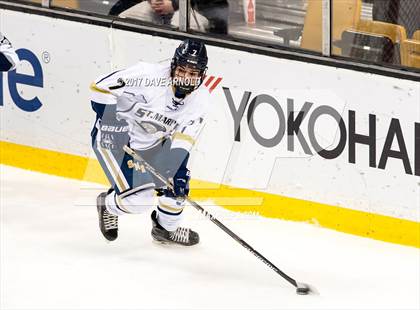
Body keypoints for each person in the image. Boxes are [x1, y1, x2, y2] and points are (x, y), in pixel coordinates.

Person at [90, 39, 210, 246]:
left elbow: (183, 139)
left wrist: (178, 173)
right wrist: (111, 122)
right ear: (173, 66)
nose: (186, 78)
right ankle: (108, 204)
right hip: (114, 140)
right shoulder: (147, 75)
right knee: (139, 201)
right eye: (182, 70)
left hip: (154, 144)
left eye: (193, 74)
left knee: (177, 192)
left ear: (202, 75)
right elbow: (100, 87)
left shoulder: (201, 101)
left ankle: (165, 230)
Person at [109, 0, 229, 34]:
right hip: (158, 7)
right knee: (125, 17)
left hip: (197, 10)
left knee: (182, 24)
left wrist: (175, 4)